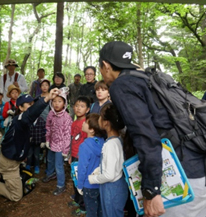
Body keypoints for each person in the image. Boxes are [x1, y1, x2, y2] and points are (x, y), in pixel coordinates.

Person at [98, 41, 206, 217]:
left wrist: (151, 190)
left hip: (179, 177)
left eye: (100, 68)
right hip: (197, 166)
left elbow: (145, 136)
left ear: (106, 65)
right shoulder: (145, 78)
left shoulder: (122, 84)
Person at [0, 88, 60, 202]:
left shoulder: (22, 121)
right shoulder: (21, 120)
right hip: (9, 164)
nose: (32, 106)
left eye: (32, 103)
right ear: (20, 107)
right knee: (16, 196)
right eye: (29, 104)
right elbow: (31, 113)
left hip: (12, 159)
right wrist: (48, 98)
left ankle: (2, 177)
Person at [88, 103, 128, 217]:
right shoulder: (118, 139)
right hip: (117, 188)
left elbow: (110, 175)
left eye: (100, 116)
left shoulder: (110, 144)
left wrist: (93, 178)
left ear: (106, 122)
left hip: (112, 190)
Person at [41, 87, 73, 196]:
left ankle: (61, 185)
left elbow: (67, 135)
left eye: (59, 101)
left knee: (59, 165)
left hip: (60, 146)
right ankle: (50, 174)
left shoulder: (67, 117)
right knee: (49, 160)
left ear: (64, 103)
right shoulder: (51, 114)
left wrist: (65, 150)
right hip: (51, 143)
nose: (56, 104)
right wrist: (47, 140)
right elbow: (48, 127)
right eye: (54, 101)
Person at [77, 113, 105, 217]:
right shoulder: (103, 142)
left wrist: (80, 185)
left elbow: (82, 168)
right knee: (100, 211)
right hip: (101, 183)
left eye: (85, 122)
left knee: (91, 212)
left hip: (88, 185)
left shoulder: (84, 146)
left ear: (92, 129)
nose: (83, 123)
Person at [67, 96, 90, 216]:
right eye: (76, 106)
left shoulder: (87, 124)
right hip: (75, 155)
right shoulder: (74, 122)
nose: (78, 108)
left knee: (82, 181)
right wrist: (70, 155)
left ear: (87, 110)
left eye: (82, 106)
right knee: (75, 178)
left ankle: (83, 206)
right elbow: (72, 139)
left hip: (83, 157)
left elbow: (88, 142)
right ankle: (77, 199)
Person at [26, 79, 51, 174]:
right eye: (42, 85)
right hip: (39, 121)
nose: (44, 87)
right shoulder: (37, 98)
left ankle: (46, 159)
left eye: (46, 85)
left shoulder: (52, 97)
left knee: (47, 141)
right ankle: (36, 160)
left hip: (48, 122)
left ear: (49, 86)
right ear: (40, 87)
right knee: (38, 141)